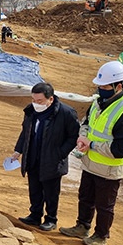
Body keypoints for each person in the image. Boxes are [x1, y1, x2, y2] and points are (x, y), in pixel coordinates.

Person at [59, 61, 123, 245]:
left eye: (105, 86)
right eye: (100, 85)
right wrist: (82, 138)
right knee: (85, 197)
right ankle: (82, 226)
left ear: (118, 86)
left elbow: (120, 149)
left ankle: (101, 235)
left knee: (104, 205)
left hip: (110, 169)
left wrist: (92, 145)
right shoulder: (98, 102)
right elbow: (87, 123)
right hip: (91, 163)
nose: (101, 89)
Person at [11, 83, 80, 231]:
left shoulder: (66, 113)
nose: (36, 104)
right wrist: (18, 151)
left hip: (52, 160)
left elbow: (73, 136)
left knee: (51, 191)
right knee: (34, 188)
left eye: (40, 101)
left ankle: (51, 219)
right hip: (33, 155)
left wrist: (60, 153)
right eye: (33, 100)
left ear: (51, 99)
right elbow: (25, 132)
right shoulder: (30, 111)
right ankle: (35, 215)